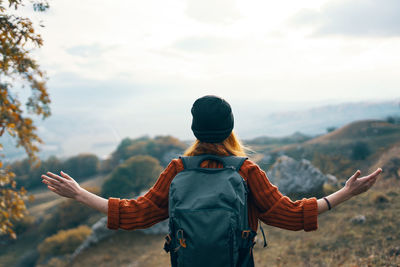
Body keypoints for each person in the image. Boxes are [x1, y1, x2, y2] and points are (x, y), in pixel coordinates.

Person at [41, 95, 382, 262]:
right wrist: (344, 194)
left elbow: (135, 214)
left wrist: (80, 193)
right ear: (230, 128)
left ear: (194, 130)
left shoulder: (177, 169)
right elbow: (290, 216)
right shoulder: (246, 170)